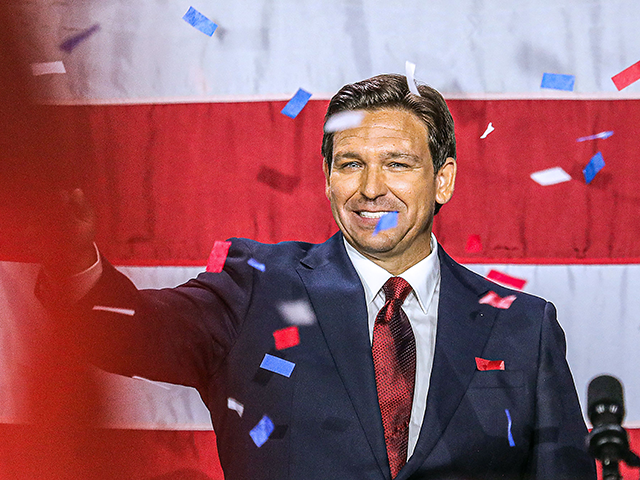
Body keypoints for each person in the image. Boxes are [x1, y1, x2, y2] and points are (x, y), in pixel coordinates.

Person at [38, 74, 596, 480]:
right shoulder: (253, 288)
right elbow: (124, 332)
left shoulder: (525, 327)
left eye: (398, 163)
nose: (371, 188)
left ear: (443, 179)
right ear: (327, 178)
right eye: (350, 163)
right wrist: (71, 259)